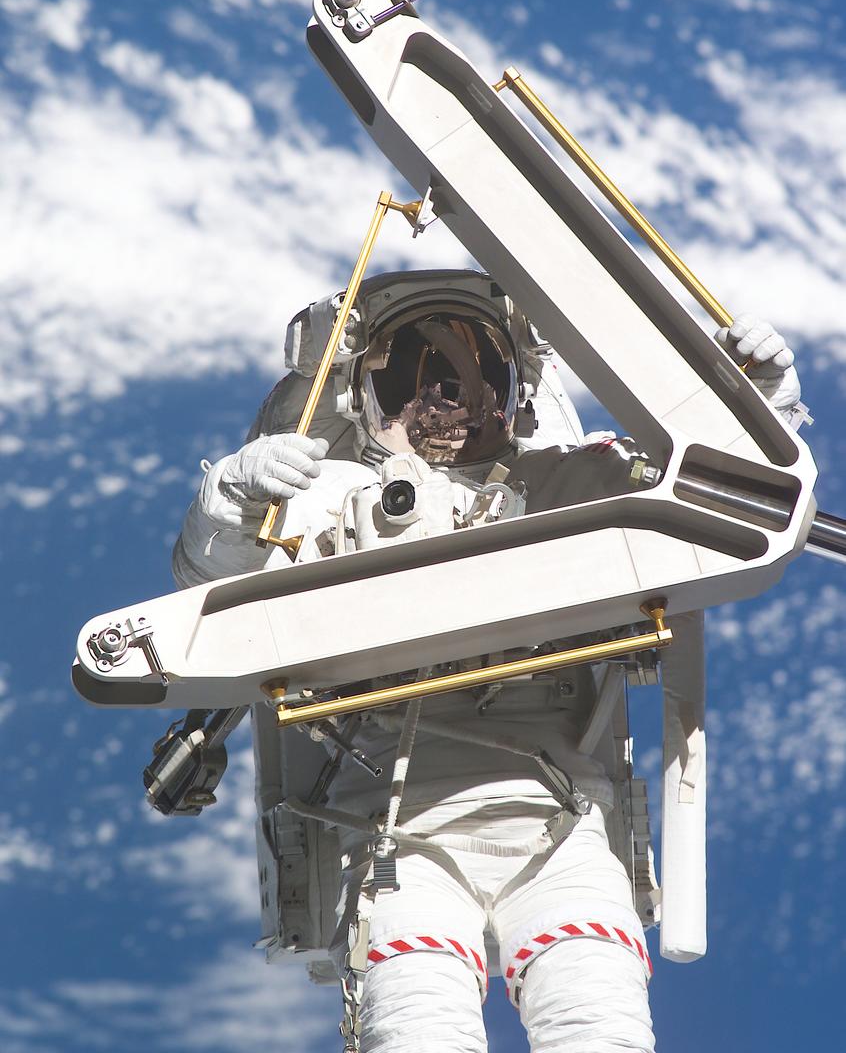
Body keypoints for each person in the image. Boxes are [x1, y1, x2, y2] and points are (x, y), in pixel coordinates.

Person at [172, 269, 801, 1053]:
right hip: (397, 837)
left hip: (561, 821)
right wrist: (230, 497)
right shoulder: (324, 498)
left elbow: (724, 502)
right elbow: (211, 590)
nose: (443, 396)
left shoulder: (578, 484)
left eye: (474, 371)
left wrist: (759, 409)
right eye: (411, 374)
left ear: (514, 390)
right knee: (417, 1027)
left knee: (597, 1024)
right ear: (363, 397)